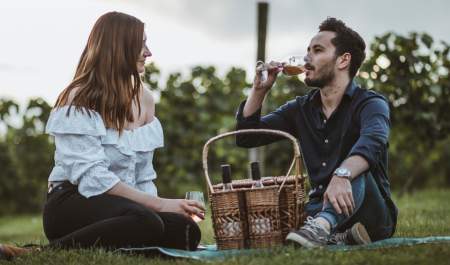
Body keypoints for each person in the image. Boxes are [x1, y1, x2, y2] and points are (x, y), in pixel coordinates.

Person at [0, 12, 204, 260]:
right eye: (141, 44)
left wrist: (165, 209)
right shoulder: (79, 97)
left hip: (123, 209)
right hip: (72, 201)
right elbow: (93, 178)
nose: (148, 53)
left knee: (187, 231)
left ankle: (129, 240)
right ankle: (34, 253)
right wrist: (160, 205)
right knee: (147, 220)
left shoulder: (146, 101)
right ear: (119, 47)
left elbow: (143, 176)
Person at [235, 17, 398, 247]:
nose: (306, 58)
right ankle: (338, 236)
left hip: (371, 213)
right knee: (278, 218)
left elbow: (373, 142)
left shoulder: (371, 104)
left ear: (343, 60)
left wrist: (342, 174)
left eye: (317, 50)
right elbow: (246, 137)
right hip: (318, 207)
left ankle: (323, 227)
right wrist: (258, 91)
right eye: (307, 51)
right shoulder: (300, 108)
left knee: (352, 167)